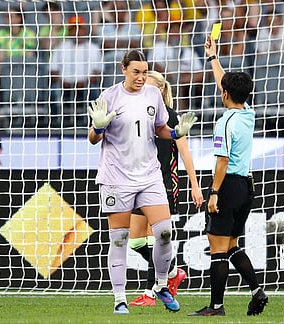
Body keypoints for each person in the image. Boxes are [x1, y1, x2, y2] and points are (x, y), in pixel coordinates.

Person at [87, 49, 197, 315]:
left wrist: (174, 132)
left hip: (149, 176)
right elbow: (93, 138)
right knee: (120, 240)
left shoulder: (153, 94)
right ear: (123, 69)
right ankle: (119, 298)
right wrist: (99, 127)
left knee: (164, 234)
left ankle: (161, 285)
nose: (141, 77)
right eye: (136, 71)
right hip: (117, 178)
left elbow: (159, 127)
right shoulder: (109, 96)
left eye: (144, 72)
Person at [188, 35, 268, 317]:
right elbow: (227, 85)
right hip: (246, 187)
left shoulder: (224, 123)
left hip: (228, 185)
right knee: (232, 245)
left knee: (217, 248)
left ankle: (216, 306)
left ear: (224, 95)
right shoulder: (248, 114)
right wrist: (213, 58)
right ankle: (257, 290)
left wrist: (213, 193)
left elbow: (221, 162)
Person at [128, 70, 204, 307]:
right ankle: (172, 272)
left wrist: (195, 185)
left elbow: (185, 154)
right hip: (139, 183)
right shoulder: (139, 115)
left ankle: (151, 294)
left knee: (154, 240)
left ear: (160, 90)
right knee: (135, 242)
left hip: (163, 184)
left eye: (149, 87)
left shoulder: (171, 117)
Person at [49, 15, 103, 128]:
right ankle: (57, 124)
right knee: (54, 91)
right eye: (73, 29)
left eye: (79, 28)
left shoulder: (93, 48)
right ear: (69, 31)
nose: (77, 32)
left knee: (95, 92)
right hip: (64, 85)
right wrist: (63, 83)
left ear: (84, 30)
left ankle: (93, 124)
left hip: (86, 85)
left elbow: (98, 74)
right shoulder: (60, 48)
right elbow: (53, 72)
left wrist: (84, 83)